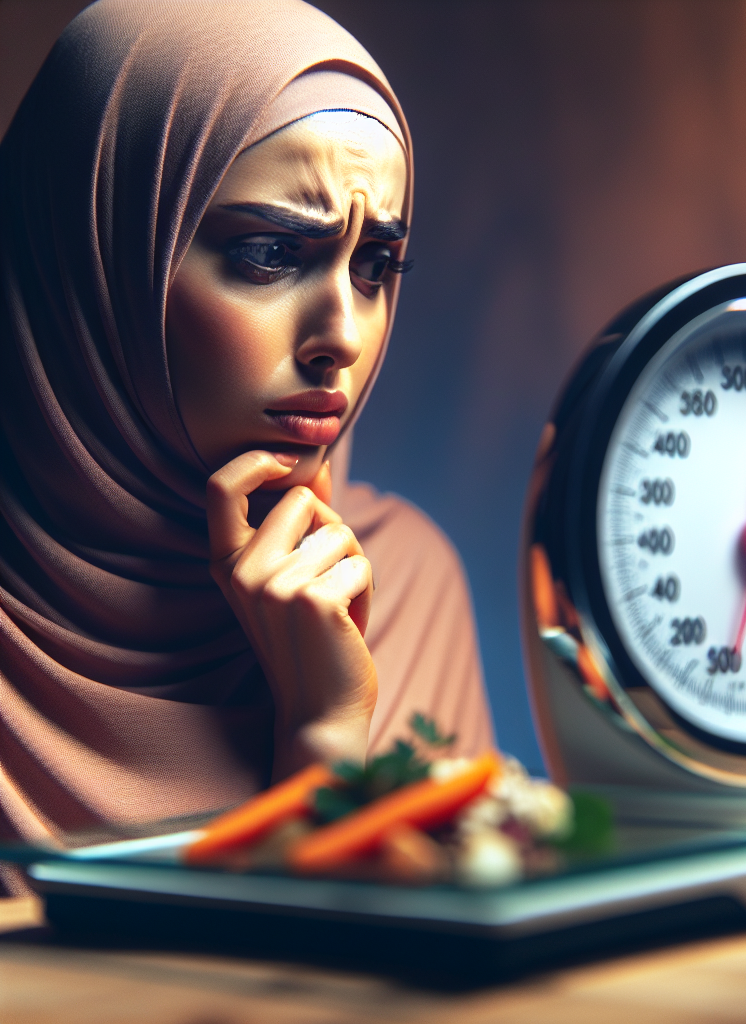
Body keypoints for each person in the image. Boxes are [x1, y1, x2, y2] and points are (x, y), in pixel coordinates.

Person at [0, 0, 494, 863]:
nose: (341, 333)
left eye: (375, 265)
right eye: (270, 254)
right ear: (97, 252)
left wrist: (326, 742)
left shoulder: (402, 584)